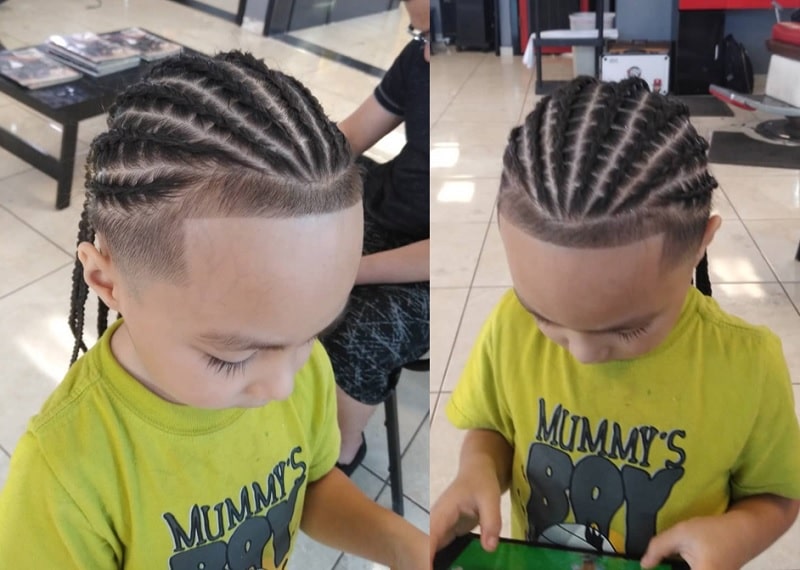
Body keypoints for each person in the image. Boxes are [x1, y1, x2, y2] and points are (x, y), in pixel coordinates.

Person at [0, 50, 427, 569]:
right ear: (106, 281)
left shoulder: (300, 367)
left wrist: (403, 545)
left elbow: (310, 485)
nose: (282, 388)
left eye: (314, 331)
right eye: (230, 358)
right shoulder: (65, 476)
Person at [430, 76, 800, 569]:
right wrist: (476, 468)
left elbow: (777, 495)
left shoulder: (747, 365)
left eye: (627, 330)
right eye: (546, 318)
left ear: (700, 244)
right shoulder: (509, 326)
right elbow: (493, 428)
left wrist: (737, 535)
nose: (580, 354)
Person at [322, 0, 430, 471]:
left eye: (432, 39)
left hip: (431, 265)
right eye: (417, 33)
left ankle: (343, 450)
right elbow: (349, 137)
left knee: (361, 329)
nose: (423, 48)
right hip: (388, 202)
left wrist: (349, 272)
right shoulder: (417, 58)